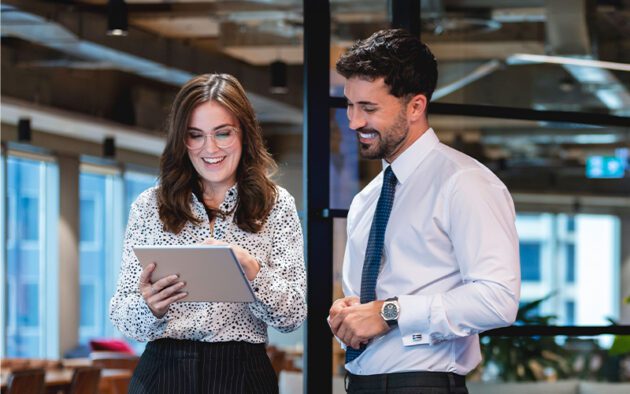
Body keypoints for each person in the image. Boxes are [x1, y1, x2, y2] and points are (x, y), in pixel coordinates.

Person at [328, 29, 521, 394]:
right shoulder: (367, 199)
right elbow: (375, 301)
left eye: (368, 108)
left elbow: (499, 299)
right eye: (350, 105)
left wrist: (391, 312)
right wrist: (350, 313)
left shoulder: (464, 183)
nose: (353, 122)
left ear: (415, 106)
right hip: (360, 384)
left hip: (423, 385)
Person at [110, 73, 306, 394]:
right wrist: (150, 307)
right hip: (163, 370)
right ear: (181, 140)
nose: (210, 148)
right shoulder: (149, 206)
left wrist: (253, 274)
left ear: (244, 133)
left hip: (242, 371)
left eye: (223, 133)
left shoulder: (276, 205)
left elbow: (293, 315)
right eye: (195, 135)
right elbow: (122, 316)